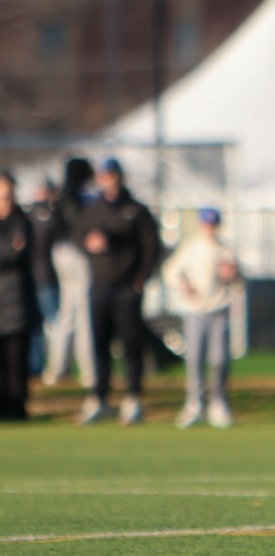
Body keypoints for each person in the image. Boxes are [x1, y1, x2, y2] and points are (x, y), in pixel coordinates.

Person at [72, 157, 161, 425]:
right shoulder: (93, 210)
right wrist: (89, 244)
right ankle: (99, 398)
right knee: (99, 345)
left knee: (130, 345)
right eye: (104, 176)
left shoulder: (136, 210)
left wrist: (140, 280)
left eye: (113, 175)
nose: (109, 180)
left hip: (126, 289)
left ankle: (133, 397)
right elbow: (78, 237)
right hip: (100, 286)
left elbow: (151, 248)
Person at [162, 207, 242, 429]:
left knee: (219, 359)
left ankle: (218, 403)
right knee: (195, 358)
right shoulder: (192, 248)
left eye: (213, 224)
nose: (209, 228)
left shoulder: (225, 250)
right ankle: (194, 404)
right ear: (200, 225)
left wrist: (234, 275)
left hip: (220, 311)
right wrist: (184, 286)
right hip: (196, 311)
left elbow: (240, 282)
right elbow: (170, 271)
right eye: (206, 224)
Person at [44, 157, 97, 388]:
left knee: (66, 313)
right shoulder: (82, 197)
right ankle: (88, 370)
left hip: (60, 252)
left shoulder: (60, 197)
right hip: (77, 254)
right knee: (84, 313)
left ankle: (57, 368)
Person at [0, 171, 39, 420]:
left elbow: (15, 255)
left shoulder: (22, 223)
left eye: (8, 194)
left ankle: (16, 408)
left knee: (16, 360)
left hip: (16, 303)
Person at [26, 178, 61, 377]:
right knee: (42, 325)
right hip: (40, 278)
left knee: (51, 325)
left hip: (45, 277)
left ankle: (50, 366)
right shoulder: (38, 215)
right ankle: (39, 367)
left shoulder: (48, 214)